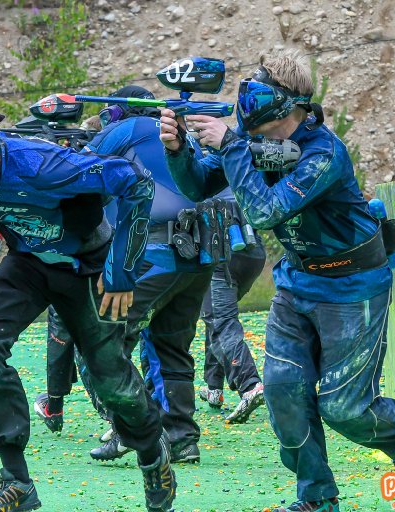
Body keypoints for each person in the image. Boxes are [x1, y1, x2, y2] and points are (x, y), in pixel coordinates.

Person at [159, 48, 395, 512]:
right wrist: (178, 150)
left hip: (353, 285)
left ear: (287, 103)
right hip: (297, 282)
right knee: (284, 392)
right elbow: (197, 185)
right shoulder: (254, 147)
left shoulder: (325, 152)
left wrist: (229, 145)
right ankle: (316, 499)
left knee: (345, 408)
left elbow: (266, 211)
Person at [0, 98, 177, 512]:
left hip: (87, 266)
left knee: (109, 383)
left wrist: (121, 269)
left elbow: (136, 183)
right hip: (28, 263)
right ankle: (17, 481)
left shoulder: (42, 165)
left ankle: (153, 454)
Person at [35, 85, 227, 464]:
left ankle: (130, 429)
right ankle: (182, 438)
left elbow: (76, 178)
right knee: (171, 346)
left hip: (153, 255)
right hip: (199, 255)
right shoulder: (180, 135)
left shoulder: (125, 130)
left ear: (116, 113)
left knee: (105, 340)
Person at [199, 231, 266, 423]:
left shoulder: (197, 198)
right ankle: (214, 387)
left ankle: (250, 385)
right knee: (214, 315)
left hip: (222, 255)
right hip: (253, 253)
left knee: (221, 321)